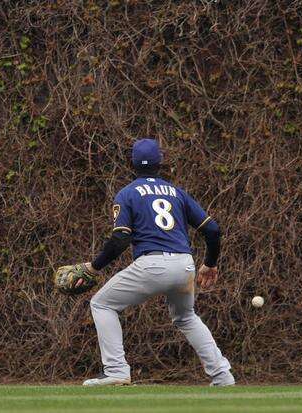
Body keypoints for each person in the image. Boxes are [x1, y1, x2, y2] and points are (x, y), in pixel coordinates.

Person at [81, 138, 234, 387]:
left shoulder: (127, 193)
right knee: (186, 317)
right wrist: (210, 263)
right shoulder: (177, 193)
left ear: (132, 163)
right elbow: (213, 230)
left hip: (152, 265)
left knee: (102, 304)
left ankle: (116, 370)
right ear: (160, 162)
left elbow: (120, 238)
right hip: (184, 265)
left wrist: (94, 266)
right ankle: (223, 376)